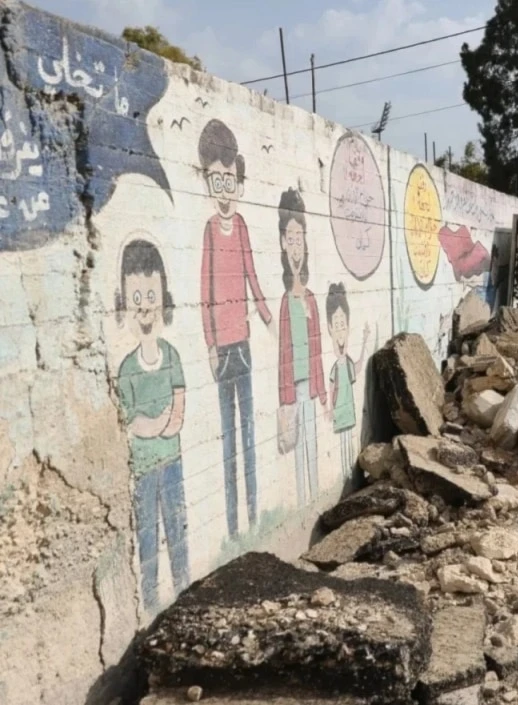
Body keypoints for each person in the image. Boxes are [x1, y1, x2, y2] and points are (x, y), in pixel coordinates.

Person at [198, 119, 273, 537]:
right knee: (227, 438)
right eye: (217, 181)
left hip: (242, 343)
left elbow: (252, 275)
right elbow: (205, 290)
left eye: (230, 181)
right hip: (222, 349)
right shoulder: (210, 230)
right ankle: (230, 526)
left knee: (249, 433)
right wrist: (210, 343)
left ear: (240, 184)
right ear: (208, 182)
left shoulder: (242, 226)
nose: (225, 191)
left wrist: (266, 317)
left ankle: (253, 512)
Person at [115, 238, 189, 612]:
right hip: (144, 469)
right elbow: (132, 423)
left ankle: (184, 590)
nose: (145, 308)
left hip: (171, 461)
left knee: (177, 529)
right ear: (125, 304)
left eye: (151, 297)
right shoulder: (127, 368)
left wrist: (157, 423)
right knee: (147, 536)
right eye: (137, 299)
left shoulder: (172, 356)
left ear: (164, 299)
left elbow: (177, 413)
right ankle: (150, 603)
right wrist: (156, 423)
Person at [277, 188, 327, 504]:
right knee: (297, 450)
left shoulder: (310, 299)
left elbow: (318, 350)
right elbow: (283, 353)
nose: (296, 246)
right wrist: (284, 398)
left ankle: (313, 497)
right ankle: (304, 502)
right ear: (283, 243)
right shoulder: (286, 301)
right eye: (291, 239)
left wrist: (322, 392)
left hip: (309, 386)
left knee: (312, 444)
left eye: (300, 239)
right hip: (294, 389)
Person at [326, 283, 370, 479]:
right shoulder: (335, 366)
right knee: (342, 440)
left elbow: (358, 367)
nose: (340, 331)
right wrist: (328, 407)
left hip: (348, 408)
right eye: (337, 326)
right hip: (340, 408)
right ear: (330, 329)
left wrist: (365, 341)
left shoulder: (348, 362)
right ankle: (345, 475)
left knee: (348, 441)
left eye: (343, 325)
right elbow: (331, 385)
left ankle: (349, 474)